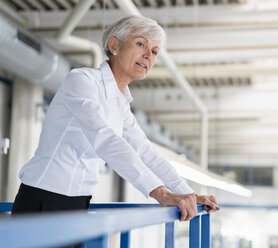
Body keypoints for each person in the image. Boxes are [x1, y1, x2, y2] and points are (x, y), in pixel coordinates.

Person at [11, 15, 219, 223]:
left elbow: (145, 151)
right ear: (114, 45)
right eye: (141, 44)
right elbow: (105, 138)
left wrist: (188, 193)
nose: (148, 56)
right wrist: (161, 194)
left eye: (154, 52)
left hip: (78, 204)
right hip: (42, 199)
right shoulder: (82, 81)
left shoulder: (120, 105)